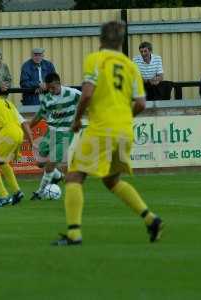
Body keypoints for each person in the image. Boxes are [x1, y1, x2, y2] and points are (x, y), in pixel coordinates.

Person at [53, 21, 164, 246]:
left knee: (74, 175)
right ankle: (151, 219)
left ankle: (74, 234)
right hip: (125, 131)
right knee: (111, 180)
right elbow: (141, 103)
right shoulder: (130, 66)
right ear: (121, 42)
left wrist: (76, 121)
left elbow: (86, 95)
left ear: (101, 39)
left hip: (101, 128)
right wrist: (123, 119)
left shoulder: (95, 59)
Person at [29, 72, 86, 200]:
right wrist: (27, 128)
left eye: (53, 87)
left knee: (50, 164)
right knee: (40, 163)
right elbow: (39, 116)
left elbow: (88, 101)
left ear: (59, 83)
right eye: (49, 88)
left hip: (66, 133)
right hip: (51, 132)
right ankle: (59, 176)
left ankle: (40, 192)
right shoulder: (47, 98)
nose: (51, 90)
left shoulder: (72, 93)